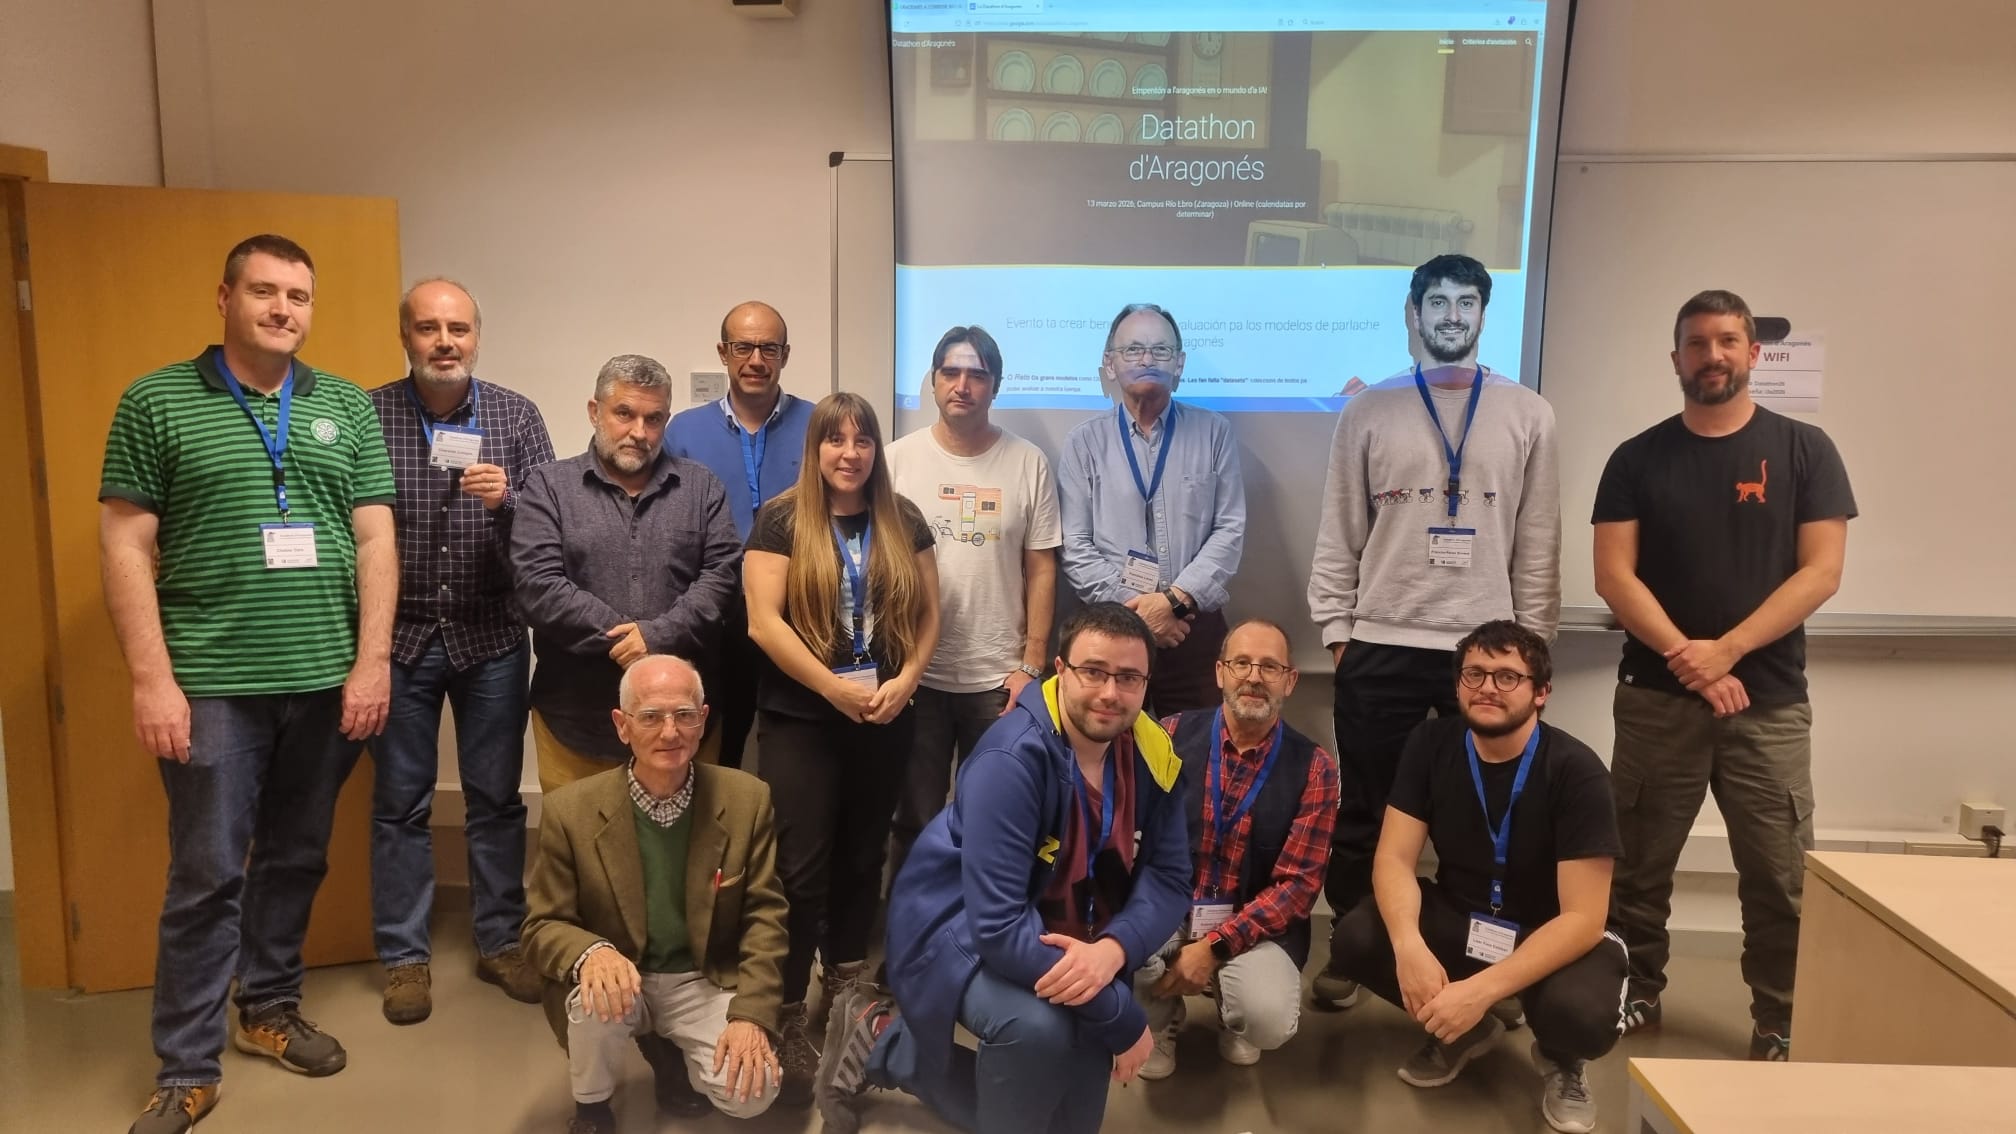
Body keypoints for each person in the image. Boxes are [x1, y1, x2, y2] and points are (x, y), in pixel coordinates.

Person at [99, 235, 396, 1134]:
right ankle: (187, 1067)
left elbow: (376, 540)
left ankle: (266, 1007)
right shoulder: (156, 400)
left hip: (325, 682)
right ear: (223, 297)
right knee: (206, 876)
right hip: (212, 687)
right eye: (263, 291)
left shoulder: (344, 403)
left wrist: (371, 662)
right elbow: (125, 545)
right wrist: (152, 680)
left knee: (297, 856)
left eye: (297, 296)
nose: (281, 309)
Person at [1592, 289, 1854, 1061]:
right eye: (1698, 343)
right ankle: (1636, 992)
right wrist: (1692, 659)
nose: (1713, 356)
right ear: (1676, 358)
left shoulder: (1806, 450)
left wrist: (1727, 651)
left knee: (1780, 878)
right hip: (1655, 703)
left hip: (1768, 705)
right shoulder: (1636, 459)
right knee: (1636, 870)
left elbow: (1822, 572)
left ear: (1753, 353)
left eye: (1727, 341)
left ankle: (1780, 1018)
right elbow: (1613, 577)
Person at [815, 603, 1191, 1134]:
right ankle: (885, 1040)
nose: (1111, 692)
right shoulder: (1011, 758)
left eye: (1129, 677)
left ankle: (882, 1041)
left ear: (1147, 683)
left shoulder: (1152, 751)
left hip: (1074, 931)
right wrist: (1119, 1013)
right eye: (1093, 671)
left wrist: (1113, 950)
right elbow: (998, 927)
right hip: (959, 921)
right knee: (1039, 1029)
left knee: (1069, 1124)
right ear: (1061, 670)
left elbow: (1170, 876)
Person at [1307, 254, 1561, 1008]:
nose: (1453, 315)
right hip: (1382, 641)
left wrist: (1532, 649)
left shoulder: (1528, 413)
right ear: (1413, 314)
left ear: (1483, 314)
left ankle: (1486, 963)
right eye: (1438, 302)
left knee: (1487, 813)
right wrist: (1340, 633)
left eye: (1467, 302)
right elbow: (1339, 530)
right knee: (1367, 807)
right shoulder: (1368, 411)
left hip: (1486, 652)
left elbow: (1538, 540)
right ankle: (1356, 946)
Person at [1325, 621, 1625, 1134]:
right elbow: (1393, 859)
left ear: (1541, 693)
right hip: (1466, 918)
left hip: (1553, 936)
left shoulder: (1577, 771)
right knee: (1357, 937)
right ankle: (1466, 1030)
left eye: (1507, 676)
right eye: (1474, 674)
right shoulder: (1430, 743)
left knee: (1580, 1016)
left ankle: (1561, 1059)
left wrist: (1479, 990)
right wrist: (1409, 946)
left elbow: (1583, 919)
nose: (1487, 687)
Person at [741, 391, 942, 1105]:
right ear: (816, 448)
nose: (849, 453)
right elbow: (763, 623)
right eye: (836, 440)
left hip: (883, 715)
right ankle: (787, 1007)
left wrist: (908, 680)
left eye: (862, 440)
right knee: (801, 869)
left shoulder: (902, 518)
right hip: (803, 717)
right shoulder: (781, 520)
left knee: (864, 856)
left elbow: (929, 614)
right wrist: (832, 688)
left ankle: (848, 986)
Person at [365, 277, 555, 1024]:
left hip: (492, 637)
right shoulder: (366, 413)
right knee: (399, 804)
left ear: (477, 336)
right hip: (401, 638)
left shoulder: (516, 415)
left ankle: (500, 941)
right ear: (405, 335)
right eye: (428, 328)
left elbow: (551, 528)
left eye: (458, 329)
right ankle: (404, 959)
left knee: (496, 799)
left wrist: (509, 501)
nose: (444, 342)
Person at [522, 655, 789, 1132]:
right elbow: (541, 925)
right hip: (623, 976)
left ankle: (672, 1050)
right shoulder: (569, 811)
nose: (670, 732)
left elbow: (765, 916)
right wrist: (592, 953)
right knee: (592, 1000)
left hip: (703, 979)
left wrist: (751, 1015)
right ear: (622, 726)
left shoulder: (747, 799)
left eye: (684, 715)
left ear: (702, 720)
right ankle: (592, 1105)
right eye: (650, 717)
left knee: (754, 1093)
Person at [510, 353, 742, 791]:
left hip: (683, 725)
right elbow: (538, 584)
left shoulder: (701, 487)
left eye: (653, 419)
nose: (639, 432)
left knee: (687, 833)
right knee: (580, 833)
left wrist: (656, 636)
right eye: (624, 414)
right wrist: (627, 637)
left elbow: (722, 578)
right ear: (594, 411)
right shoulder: (549, 486)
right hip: (577, 719)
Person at [885, 324, 1062, 883]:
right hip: (917, 675)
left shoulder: (1028, 462)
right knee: (913, 818)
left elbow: (1042, 568)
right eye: (951, 373)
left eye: (977, 375)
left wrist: (1031, 665)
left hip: (998, 680)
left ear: (995, 385)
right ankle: (912, 928)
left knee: (996, 818)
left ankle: (985, 925)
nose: (962, 385)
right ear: (933, 381)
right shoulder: (896, 460)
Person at [1135, 619, 1338, 1077]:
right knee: (1122, 949)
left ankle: (1235, 1014)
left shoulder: (1315, 767)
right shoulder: (1167, 735)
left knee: (1267, 1018)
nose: (1253, 677)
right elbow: (1133, 838)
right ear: (1220, 672)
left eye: (1270, 667)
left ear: (1290, 680)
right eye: (1241, 663)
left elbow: (1297, 887)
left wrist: (1212, 947)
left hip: (1255, 925)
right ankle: (1159, 1021)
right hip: (1171, 907)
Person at [1058, 303, 1246, 715]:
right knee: (1114, 746)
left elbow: (1229, 530)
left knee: (1196, 746)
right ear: (1110, 364)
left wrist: (1173, 603)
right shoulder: (1083, 443)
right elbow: (1075, 545)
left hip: (1192, 628)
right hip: (1111, 631)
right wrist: (1139, 613)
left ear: (1179, 363)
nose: (1147, 359)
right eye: (1133, 349)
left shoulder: (1215, 433)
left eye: (1161, 350)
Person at [667, 301, 813, 769]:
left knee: (795, 741)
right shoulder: (684, 431)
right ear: (723, 352)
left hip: (799, 612)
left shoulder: (818, 425)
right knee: (715, 742)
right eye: (743, 347)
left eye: (769, 348)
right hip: (715, 614)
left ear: (785, 355)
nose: (756, 360)